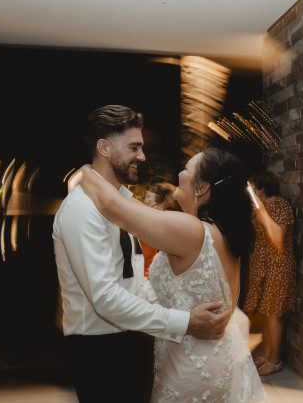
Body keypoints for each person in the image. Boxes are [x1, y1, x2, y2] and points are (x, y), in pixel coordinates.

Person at [52, 105, 231, 403]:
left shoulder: (122, 204)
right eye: (134, 147)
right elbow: (105, 298)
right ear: (104, 148)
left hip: (131, 338)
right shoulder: (82, 210)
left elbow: (133, 278)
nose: (143, 156)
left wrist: (173, 307)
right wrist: (184, 322)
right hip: (99, 350)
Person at [76, 147, 267, 402]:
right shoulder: (221, 233)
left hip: (190, 365)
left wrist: (86, 171)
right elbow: (137, 209)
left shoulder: (192, 230)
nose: (180, 173)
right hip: (216, 356)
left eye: (187, 168)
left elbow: (111, 205)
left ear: (202, 188)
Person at [242, 170, 296, 376]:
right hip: (262, 266)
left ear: (262, 188)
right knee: (264, 312)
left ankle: (275, 361)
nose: (250, 191)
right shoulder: (257, 207)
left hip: (277, 267)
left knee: (273, 313)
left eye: (253, 187)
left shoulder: (280, 205)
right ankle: (266, 353)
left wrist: (261, 210)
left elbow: (278, 238)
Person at [140, 182, 177, 278]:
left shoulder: (165, 214)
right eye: (174, 193)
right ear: (168, 196)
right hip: (145, 260)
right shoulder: (167, 216)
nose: (176, 197)